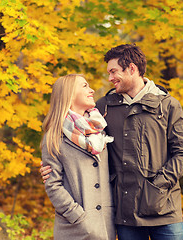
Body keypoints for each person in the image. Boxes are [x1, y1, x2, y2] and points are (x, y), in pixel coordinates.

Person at [41, 44, 183, 240]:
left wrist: (156, 187)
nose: (110, 78)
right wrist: (51, 167)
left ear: (131, 68)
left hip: (165, 210)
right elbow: (78, 139)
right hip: (125, 214)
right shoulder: (102, 108)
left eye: (114, 71)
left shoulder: (167, 105)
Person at [40, 74, 116, 240]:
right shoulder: (54, 136)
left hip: (105, 224)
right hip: (75, 228)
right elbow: (53, 185)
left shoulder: (99, 129)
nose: (92, 90)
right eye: (84, 86)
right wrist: (78, 216)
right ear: (69, 94)